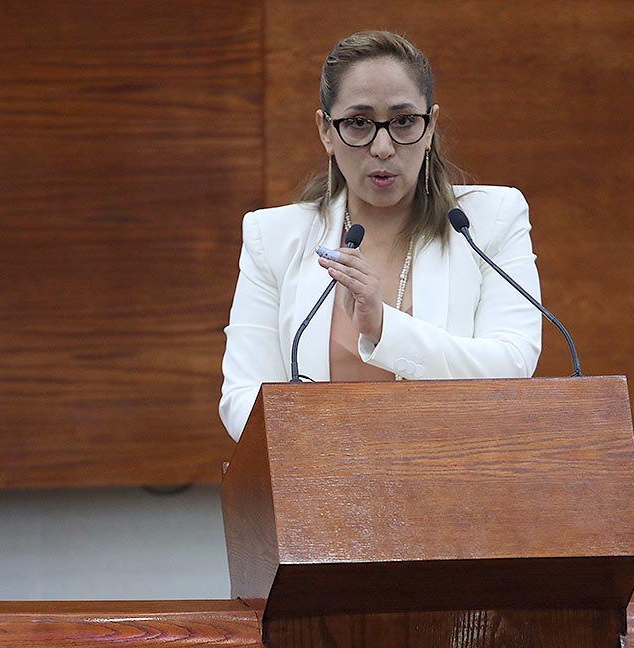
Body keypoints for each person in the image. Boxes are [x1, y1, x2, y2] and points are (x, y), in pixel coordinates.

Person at [219, 30, 542, 442]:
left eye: (404, 121)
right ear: (326, 131)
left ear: (430, 125)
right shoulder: (274, 237)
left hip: (455, 470)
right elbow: (244, 398)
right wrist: (340, 455)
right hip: (325, 475)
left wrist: (384, 327)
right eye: (359, 123)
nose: (383, 147)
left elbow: (512, 365)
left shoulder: (489, 219)